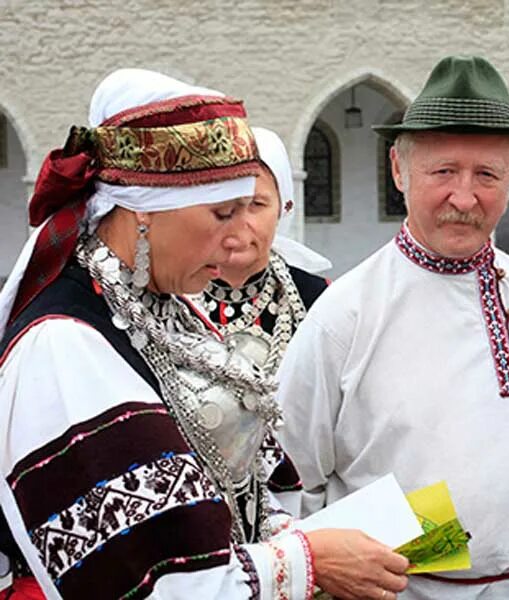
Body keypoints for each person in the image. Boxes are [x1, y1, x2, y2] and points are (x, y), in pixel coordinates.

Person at [0, 69, 408, 600]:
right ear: (144, 211)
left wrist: (287, 533)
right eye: (221, 213)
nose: (241, 237)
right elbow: (149, 581)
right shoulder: (61, 348)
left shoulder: (157, 303)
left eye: (250, 210)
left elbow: (235, 485)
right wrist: (309, 562)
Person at [276, 55, 509, 599]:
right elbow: (291, 480)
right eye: (443, 171)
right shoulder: (347, 315)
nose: (464, 197)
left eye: (487, 175)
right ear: (399, 171)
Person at [192, 126, 333, 515]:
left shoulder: (319, 299)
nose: (238, 223)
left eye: (256, 205)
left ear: (284, 208)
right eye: (224, 206)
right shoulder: (170, 296)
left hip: (301, 504)